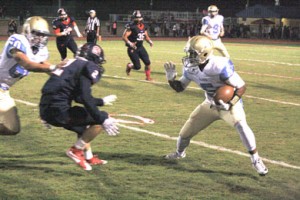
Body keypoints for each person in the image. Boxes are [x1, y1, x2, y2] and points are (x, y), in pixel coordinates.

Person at [163, 36, 268, 176]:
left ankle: (256, 159)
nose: (189, 57)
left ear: (204, 54)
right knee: (185, 132)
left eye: (193, 53)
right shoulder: (190, 68)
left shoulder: (219, 65)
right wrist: (171, 80)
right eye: (189, 53)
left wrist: (230, 103)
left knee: (241, 125)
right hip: (210, 103)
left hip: (229, 104)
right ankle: (179, 153)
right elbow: (180, 88)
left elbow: (241, 87)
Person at [39, 43, 119, 171]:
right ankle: (75, 151)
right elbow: (85, 97)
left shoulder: (69, 63)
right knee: (98, 120)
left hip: (46, 109)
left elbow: (78, 97)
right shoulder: (87, 66)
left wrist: (101, 101)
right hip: (59, 111)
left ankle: (89, 157)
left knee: (84, 127)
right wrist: (102, 118)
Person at [0, 16, 64, 135]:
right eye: (37, 34)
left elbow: (48, 68)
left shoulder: (42, 51)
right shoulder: (17, 39)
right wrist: (53, 67)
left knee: (13, 128)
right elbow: (26, 64)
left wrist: (70, 73)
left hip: (3, 90)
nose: (40, 38)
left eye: (43, 35)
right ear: (27, 31)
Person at [122, 10, 153, 81]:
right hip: (132, 48)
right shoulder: (131, 26)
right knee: (137, 67)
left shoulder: (143, 26)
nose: (138, 19)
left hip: (140, 47)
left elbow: (146, 36)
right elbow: (124, 37)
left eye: (139, 18)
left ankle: (148, 77)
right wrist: (130, 43)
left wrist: (150, 41)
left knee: (147, 62)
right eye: (136, 18)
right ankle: (129, 66)